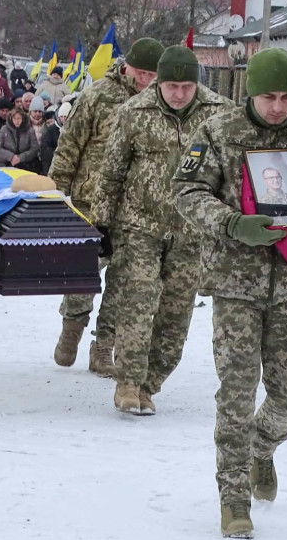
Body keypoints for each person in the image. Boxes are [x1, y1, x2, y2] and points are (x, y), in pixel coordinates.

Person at [172, 47, 287, 539]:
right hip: (236, 284)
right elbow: (187, 193)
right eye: (268, 97)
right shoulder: (219, 132)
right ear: (250, 92)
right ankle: (233, 495)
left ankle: (263, 446)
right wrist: (233, 224)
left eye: (286, 97)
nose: (278, 107)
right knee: (236, 391)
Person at [93, 46, 233, 415]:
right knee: (138, 304)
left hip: (192, 231)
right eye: (172, 85)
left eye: (187, 86)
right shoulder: (134, 112)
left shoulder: (219, 114)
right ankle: (128, 382)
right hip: (139, 225)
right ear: (159, 82)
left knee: (175, 314)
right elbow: (111, 173)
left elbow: (233, 173)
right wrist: (102, 224)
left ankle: (150, 382)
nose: (179, 94)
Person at [48, 37, 165, 374]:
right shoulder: (99, 95)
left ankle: (103, 347)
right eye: (140, 73)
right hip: (91, 199)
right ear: (125, 66)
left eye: (151, 75)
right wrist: (57, 191)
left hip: (138, 205)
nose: (144, 81)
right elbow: (70, 143)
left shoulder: (160, 102)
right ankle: (73, 327)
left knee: (123, 280)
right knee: (83, 272)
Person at [0, 107, 41, 173]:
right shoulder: (4, 129)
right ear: (11, 119)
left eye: (19, 118)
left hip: (25, 164)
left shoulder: (30, 131)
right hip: (4, 163)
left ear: (23, 119)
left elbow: (34, 149)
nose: (16, 121)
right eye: (14, 118)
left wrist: (20, 158)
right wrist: (11, 157)